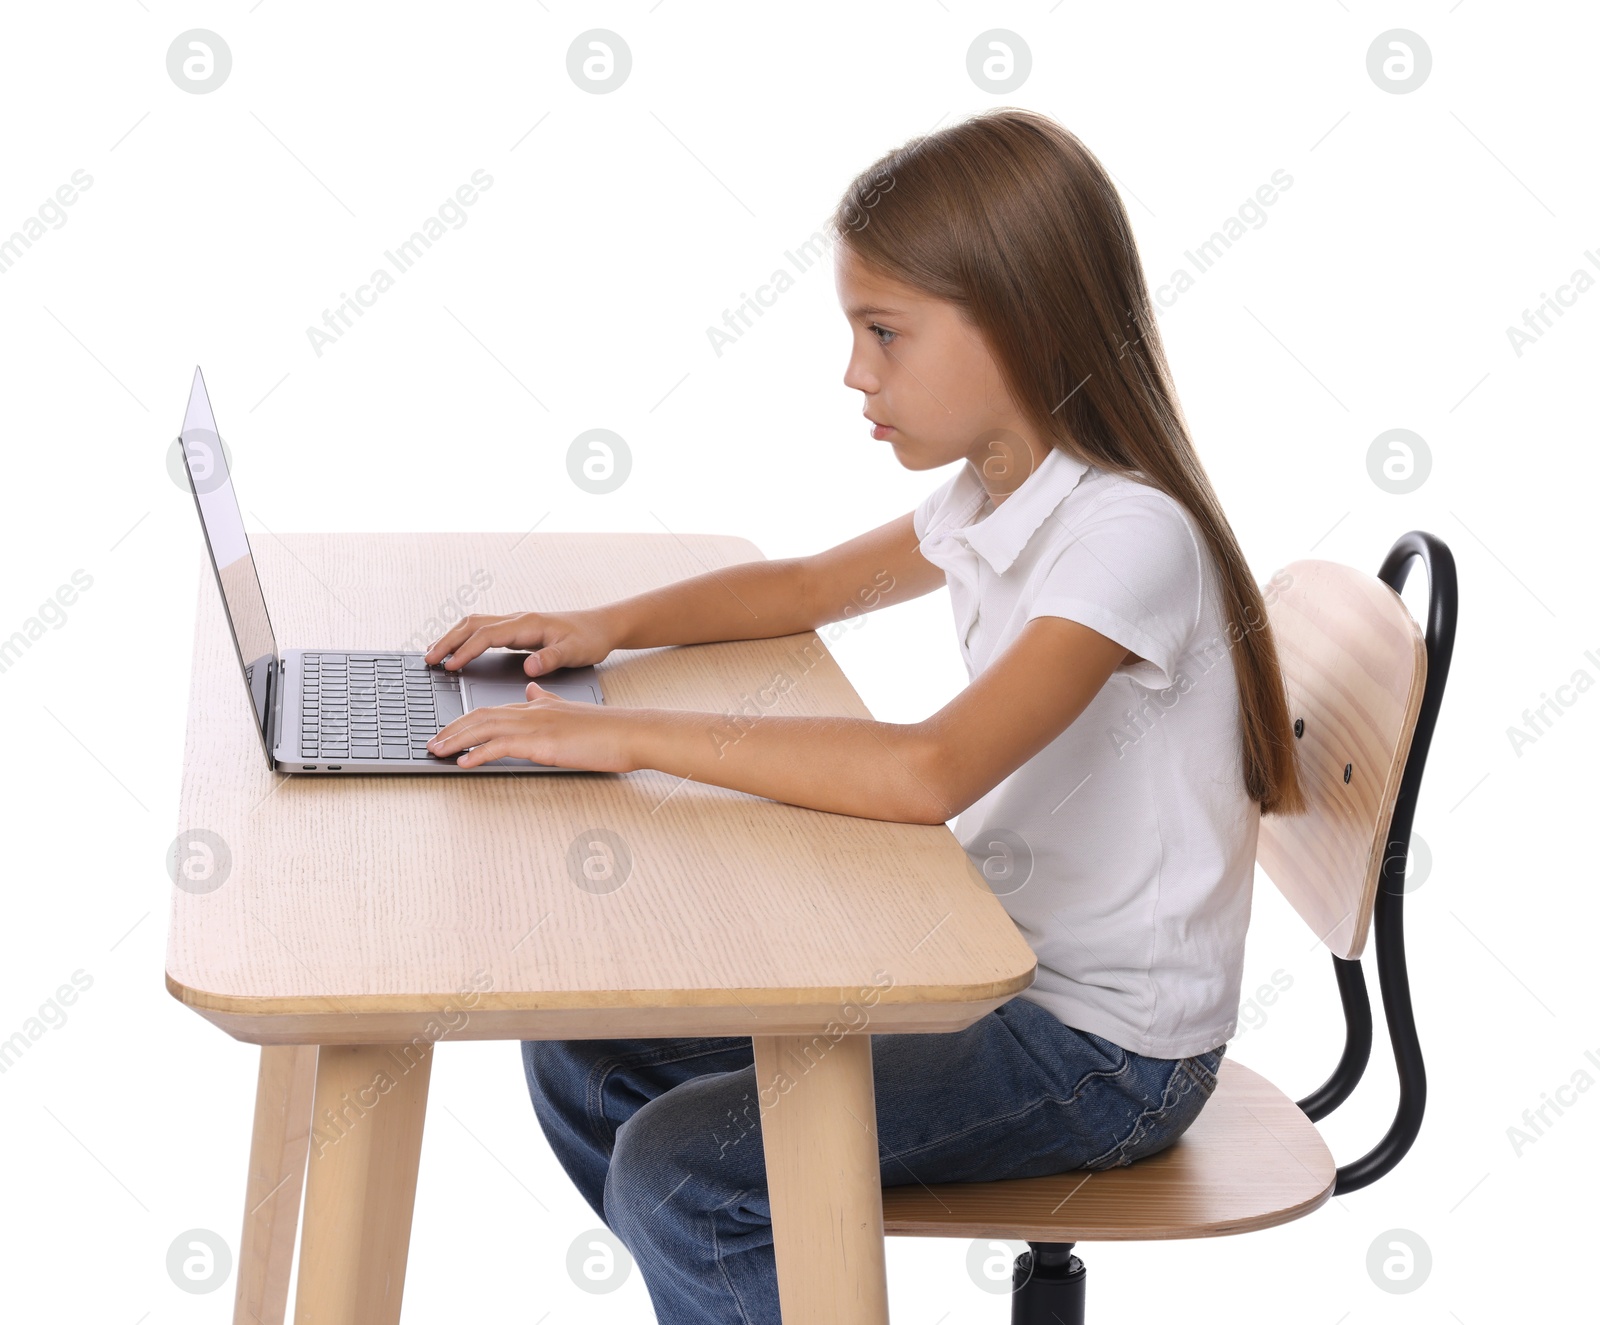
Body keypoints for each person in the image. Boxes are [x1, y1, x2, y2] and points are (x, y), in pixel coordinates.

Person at [424, 107, 1304, 1324]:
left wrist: (619, 736)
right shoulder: (996, 491)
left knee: (683, 1162)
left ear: (1022, 320)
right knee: (587, 1054)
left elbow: (928, 770)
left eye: (883, 332)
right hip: (988, 967)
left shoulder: (1125, 536)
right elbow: (800, 588)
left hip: (1107, 1053)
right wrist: (601, 628)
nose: (855, 373)